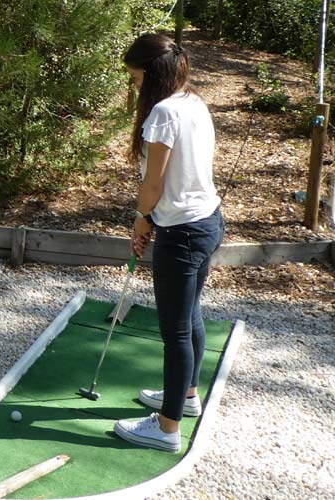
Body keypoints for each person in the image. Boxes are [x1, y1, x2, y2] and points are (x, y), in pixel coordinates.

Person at [112, 33, 225, 452]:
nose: (134, 84)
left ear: (152, 73)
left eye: (136, 76)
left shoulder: (161, 113)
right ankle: (187, 398)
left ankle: (166, 429)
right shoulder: (193, 102)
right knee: (190, 316)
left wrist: (142, 221)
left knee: (175, 330)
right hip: (209, 221)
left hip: (181, 232)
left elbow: (153, 184)